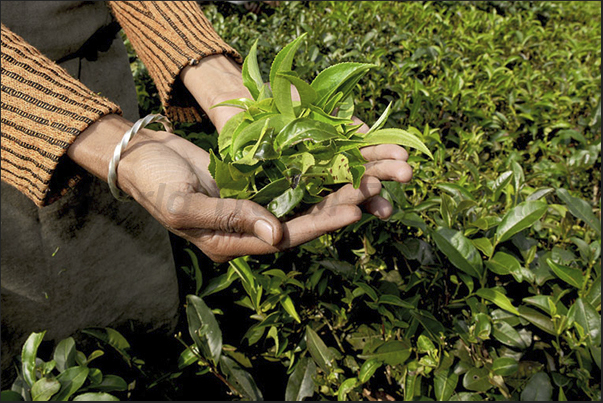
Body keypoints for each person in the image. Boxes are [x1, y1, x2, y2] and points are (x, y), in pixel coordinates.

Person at [0, 0, 413, 384]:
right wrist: (102, 140)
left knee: (136, 325)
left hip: (95, 75)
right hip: (15, 133)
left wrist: (212, 73)